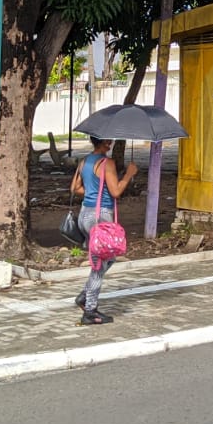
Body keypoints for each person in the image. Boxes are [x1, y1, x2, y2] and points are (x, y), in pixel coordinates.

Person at [71, 136, 137, 325]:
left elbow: (75, 188)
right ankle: (89, 310)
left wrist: (96, 191)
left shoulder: (84, 161)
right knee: (99, 265)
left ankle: (85, 295)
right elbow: (116, 191)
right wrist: (129, 174)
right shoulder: (107, 163)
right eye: (109, 141)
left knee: (108, 257)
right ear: (103, 142)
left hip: (85, 214)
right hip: (100, 217)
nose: (111, 144)